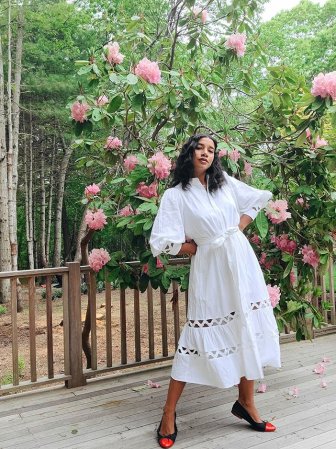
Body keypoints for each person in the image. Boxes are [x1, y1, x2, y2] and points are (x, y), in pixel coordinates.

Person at [149, 134, 282, 448]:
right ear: (189, 152)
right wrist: (189, 246)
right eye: (200, 147)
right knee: (198, 333)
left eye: (211, 149)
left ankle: (246, 404)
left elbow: (257, 199)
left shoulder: (224, 183)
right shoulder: (176, 195)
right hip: (210, 267)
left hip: (240, 261)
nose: (206, 153)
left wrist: (238, 227)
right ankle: (168, 413)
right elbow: (160, 240)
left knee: (246, 326)